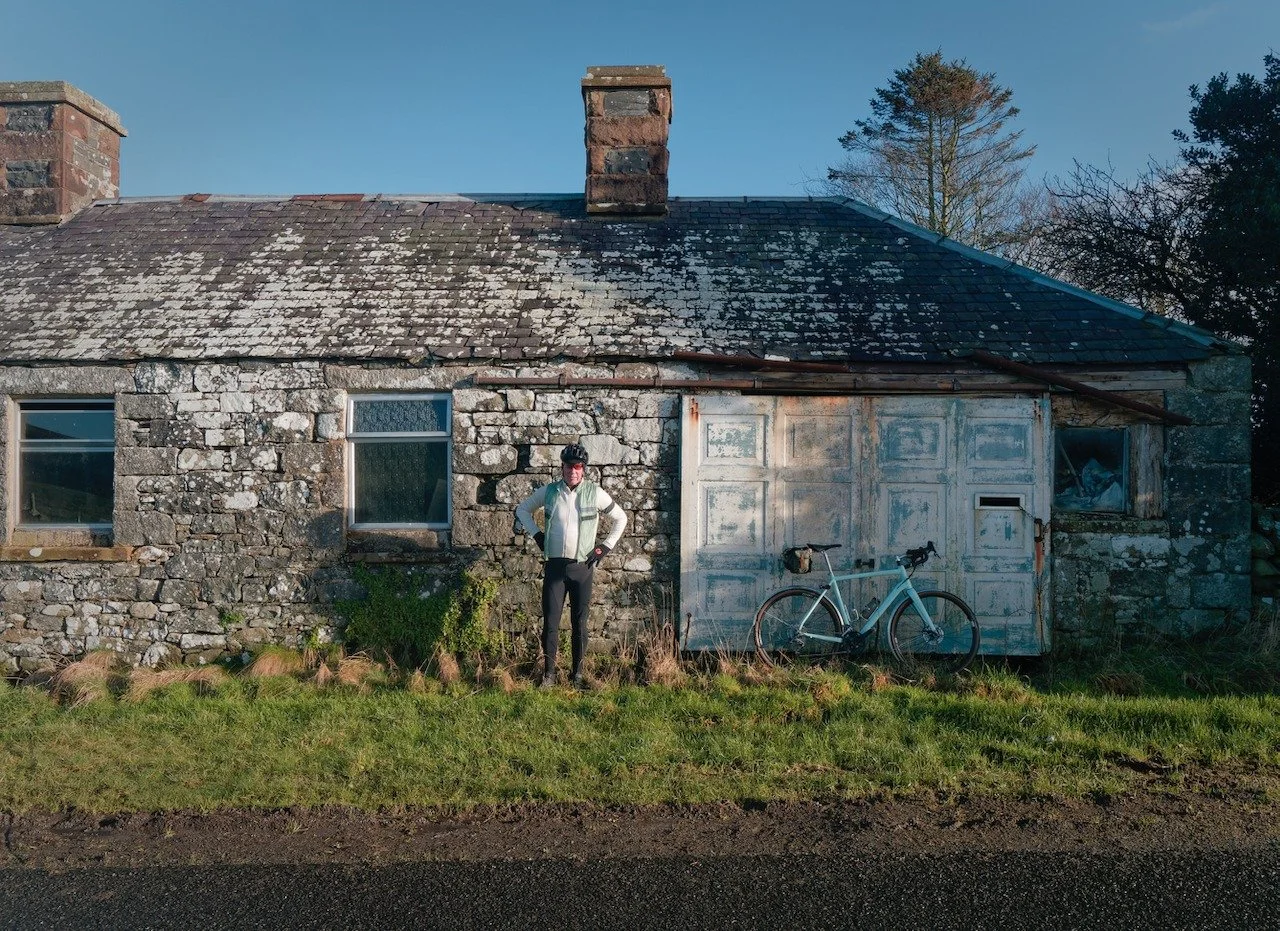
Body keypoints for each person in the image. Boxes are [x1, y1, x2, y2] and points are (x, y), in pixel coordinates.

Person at [515, 443, 627, 688]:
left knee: (580, 624)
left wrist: (605, 546)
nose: (572, 471)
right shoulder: (550, 492)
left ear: (583, 469)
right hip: (555, 567)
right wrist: (536, 535)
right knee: (551, 624)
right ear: (562, 467)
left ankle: (577, 676)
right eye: (568, 466)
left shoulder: (594, 493)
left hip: (582, 568)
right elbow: (522, 509)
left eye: (577, 467)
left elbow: (621, 518)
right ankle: (549, 676)